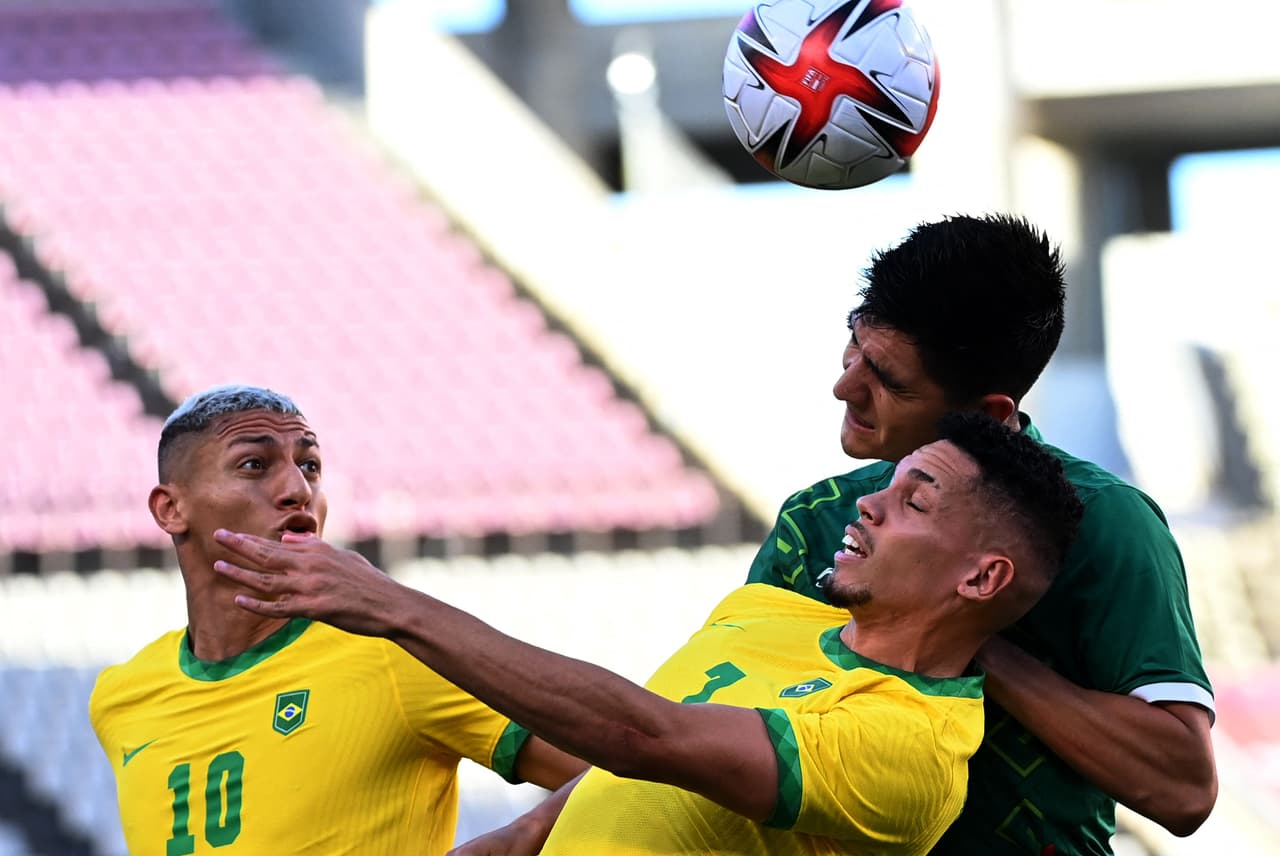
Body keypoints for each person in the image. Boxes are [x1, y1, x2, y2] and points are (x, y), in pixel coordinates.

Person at [211, 412, 1085, 856]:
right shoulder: (769, 611)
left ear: (981, 578)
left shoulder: (911, 753)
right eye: (887, 485)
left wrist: (389, 606)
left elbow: (643, 735)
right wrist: (512, 841)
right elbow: (612, 778)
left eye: (914, 500)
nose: (869, 501)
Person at [741, 213, 1217, 854]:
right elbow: (726, 705)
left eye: (889, 379)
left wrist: (961, 633)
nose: (844, 385)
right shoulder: (817, 516)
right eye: (854, 346)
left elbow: (1183, 788)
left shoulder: (1106, 520)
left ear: (989, 416)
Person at [89, 385, 585, 855]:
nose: (297, 489)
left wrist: (525, 834)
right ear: (171, 508)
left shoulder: (398, 655)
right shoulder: (122, 699)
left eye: (310, 465)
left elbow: (627, 769)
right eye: (254, 465)